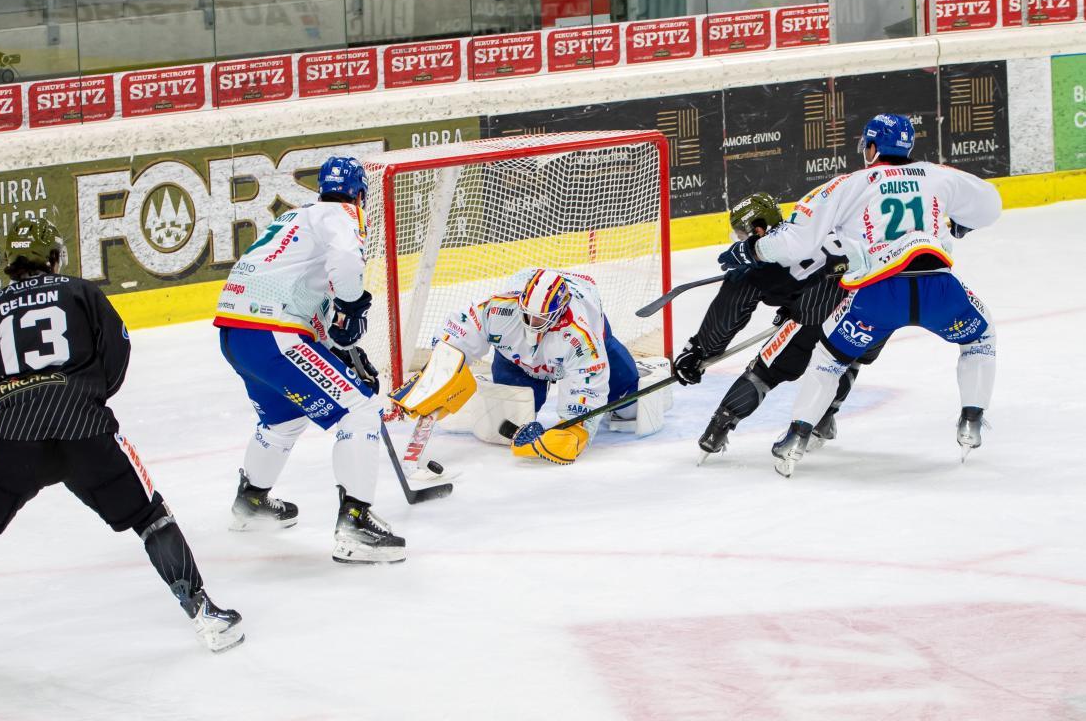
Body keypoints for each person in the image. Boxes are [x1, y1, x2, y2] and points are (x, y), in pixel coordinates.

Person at [0, 218, 242, 672]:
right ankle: (206, 616)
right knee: (150, 518)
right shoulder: (82, 292)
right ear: (54, 256)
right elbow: (117, 352)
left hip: (14, 439)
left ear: (10, 263)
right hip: (86, 432)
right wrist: (85, 395)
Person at [718, 113, 1002, 476]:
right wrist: (962, 224)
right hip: (939, 290)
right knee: (981, 339)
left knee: (828, 360)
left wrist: (752, 251)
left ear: (871, 147)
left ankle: (795, 438)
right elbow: (990, 203)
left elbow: (795, 240)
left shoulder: (848, 184)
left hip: (877, 295)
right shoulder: (937, 175)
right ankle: (971, 420)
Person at [215, 156, 404, 564]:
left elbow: (301, 293)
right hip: (272, 333)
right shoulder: (343, 213)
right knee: (361, 409)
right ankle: (356, 523)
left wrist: (340, 349)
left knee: (283, 420)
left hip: (237, 334)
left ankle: (251, 503)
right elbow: (348, 263)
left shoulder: (294, 220)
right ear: (359, 193)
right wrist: (353, 308)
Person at [675, 192, 880, 462]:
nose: (740, 239)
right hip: (871, 304)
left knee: (766, 370)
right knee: (846, 357)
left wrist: (698, 352)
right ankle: (825, 416)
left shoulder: (756, 264)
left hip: (818, 310)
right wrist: (792, 304)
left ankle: (717, 430)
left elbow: (727, 315)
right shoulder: (811, 226)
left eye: (741, 232)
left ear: (757, 229)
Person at [393, 267, 666, 465]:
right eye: (527, 314)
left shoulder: (582, 337)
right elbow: (461, 330)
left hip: (588, 349)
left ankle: (627, 386)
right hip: (521, 361)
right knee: (510, 419)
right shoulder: (501, 308)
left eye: (539, 319)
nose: (530, 324)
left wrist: (575, 429)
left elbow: (588, 388)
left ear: (558, 313)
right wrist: (439, 370)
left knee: (629, 406)